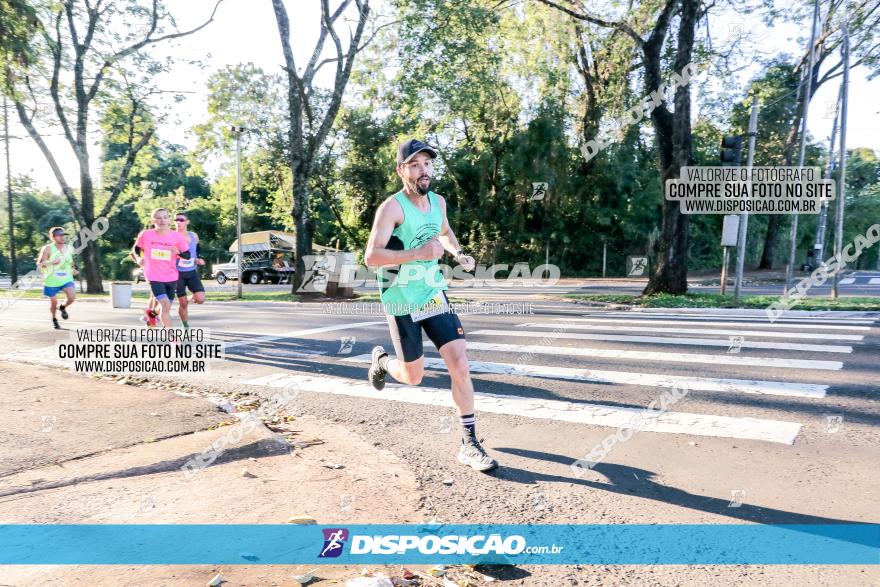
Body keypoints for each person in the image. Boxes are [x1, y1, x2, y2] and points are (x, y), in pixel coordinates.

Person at [364, 138, 497, 472]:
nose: (423, 171)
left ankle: (469, 443)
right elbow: (371, 257)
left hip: (432, 294)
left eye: (427, 164)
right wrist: (417, 254)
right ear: (401, 171)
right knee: (413, 377)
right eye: (415, 165)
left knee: (460, 364)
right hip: (400, 299)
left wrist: (456, 252)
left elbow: (445, 232)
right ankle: (382, 362)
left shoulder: (438, 202)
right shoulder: (391, 208)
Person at [131, 208, 191, 329]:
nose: (162, 220)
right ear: (153, 220)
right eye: (158, 217)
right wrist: (138, 259)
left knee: (166, 306)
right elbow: (135, 249)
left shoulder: (177, 237)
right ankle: (172, 337)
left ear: (169, 219)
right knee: (165, 305)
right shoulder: (146, 235)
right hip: (153, 276)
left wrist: (178, 252)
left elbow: (188, 256)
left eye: (165, 217)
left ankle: (151, 317)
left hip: (171, 276)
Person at [37, 227, 77, 329]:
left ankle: (62, 307)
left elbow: (71, 262)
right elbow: (40, 264)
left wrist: (74, 269)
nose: (62, 237)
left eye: (63, 235)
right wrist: (52, 262)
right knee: (54, 302)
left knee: (71, 298)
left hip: (66, 278)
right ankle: (54, 319)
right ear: (53, 237)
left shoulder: (68, 248)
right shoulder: (47, 248)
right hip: (51, 280)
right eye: (60, 235)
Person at [173, 212, 206, 329]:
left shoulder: (193, 235)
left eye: (181, 220)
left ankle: (186, 298)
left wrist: (198, 258)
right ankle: (185, 326)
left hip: (191, 272)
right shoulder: (172, 236)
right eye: (176, 220)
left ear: (187, 222)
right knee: (183, 305)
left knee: (201, 299)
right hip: (177, 274)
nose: (178, 222)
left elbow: (197, 249)